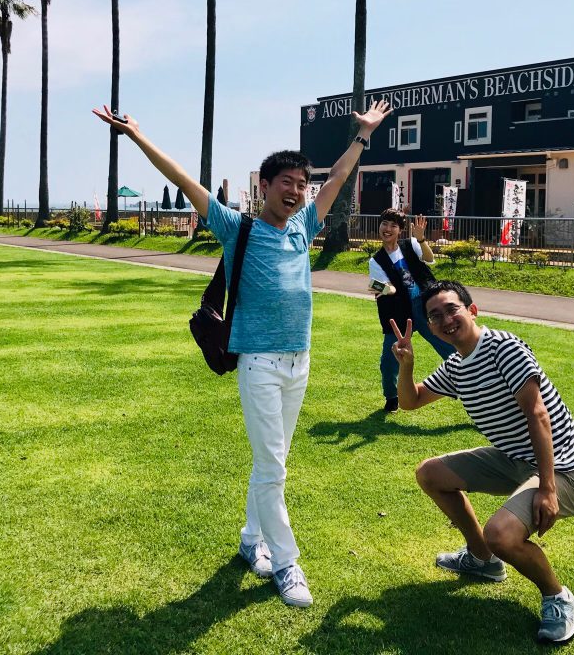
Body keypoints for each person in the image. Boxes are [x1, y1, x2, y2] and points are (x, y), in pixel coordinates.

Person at [92, 100, 392, 608]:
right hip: (258, 362)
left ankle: (251, 540)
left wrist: (361, 136)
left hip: (300, 360)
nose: (297, 192)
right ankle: (287, 561)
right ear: (265, 187)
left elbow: (338, 179)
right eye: (287, 183)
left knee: (270, 462)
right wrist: (139, 136)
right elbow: (185, 181)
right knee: (274, 466)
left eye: (302, 183)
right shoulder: (238, 228)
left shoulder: (304, 226)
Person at [389, 280, 574, 644]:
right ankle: (482, 560)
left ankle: (559, 599)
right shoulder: (456, 365)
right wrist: (406, 366)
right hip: (515, 459)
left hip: (563, 466)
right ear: (431, 327)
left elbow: (537, 414)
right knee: (430, 473)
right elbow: (410, 401)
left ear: (472, 309)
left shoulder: (503, 347)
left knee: (501, 533)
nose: (445, 320)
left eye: (451, 309)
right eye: (434, 316)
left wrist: (547, 488)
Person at [368, 209, 455, 412]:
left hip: (423, 306)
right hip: (398, 312)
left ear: (400, 230)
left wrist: (422, 239)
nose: (387, 229)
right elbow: (382, 287)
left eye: (393, 226)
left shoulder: (410, 245)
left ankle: (467, 380)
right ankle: (391, 396)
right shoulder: (376, 260)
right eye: (385, 224)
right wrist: (384, 288)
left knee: (446, 345)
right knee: (389, 359)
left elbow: (429, 258)